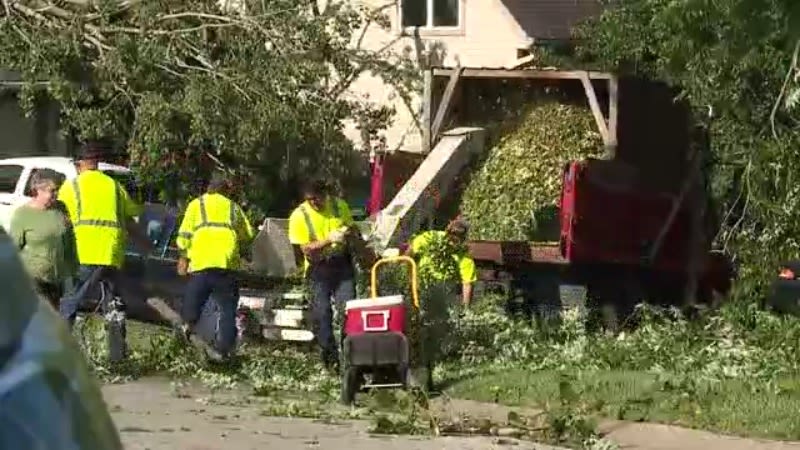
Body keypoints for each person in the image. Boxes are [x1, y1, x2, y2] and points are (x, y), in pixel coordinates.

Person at [57, 140, 148, 359]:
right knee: (113, 304)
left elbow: (60, 219)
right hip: (113, 253)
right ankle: (117, 355)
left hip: (85, 251)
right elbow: (131, 217)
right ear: (96, 164)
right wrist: (145, 244)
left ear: (80, 165)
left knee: (70, 301)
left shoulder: (72, 186)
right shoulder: (115, 187)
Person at [176, 171, 254, 358]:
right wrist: (245, 254)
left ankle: (184, 336)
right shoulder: (234, 208)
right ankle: (223, 351)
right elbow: (248, 235)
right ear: (226, 189)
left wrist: (183, 258)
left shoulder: (196, 205)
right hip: (226, 266)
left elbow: (185, 235)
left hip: (202, 264)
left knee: (192, 306)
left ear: (209, 188)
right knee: (227, 310)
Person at [288, 179, 356, 371]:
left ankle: (351, 358)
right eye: (310, 200)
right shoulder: (299, 216)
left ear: (326, 195)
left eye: (317, 199)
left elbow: (352, 229)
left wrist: (353, 237)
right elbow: (306, 249)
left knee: (348, 311)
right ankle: (330, 358)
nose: (314, 204)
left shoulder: (339, 206)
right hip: (318, 269)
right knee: (322, 313)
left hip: (342, 266)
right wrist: (329, 239)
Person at [9, 169, 78, 309]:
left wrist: (73, 269)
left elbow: (70, 240)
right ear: (37, 190)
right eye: (51, 191)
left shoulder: (61, 208)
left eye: (57, 190)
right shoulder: (22, 214)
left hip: (55, 279)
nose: (55, 194)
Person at [407, 218, 477, 307]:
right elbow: (409, 253)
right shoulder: (430, 238)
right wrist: (411, 279)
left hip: (445, 291)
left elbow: (467, 284)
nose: (452, 244)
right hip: (421, 284)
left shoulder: (464, 257)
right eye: (451, 239)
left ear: (462, 240)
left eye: (456, 241)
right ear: (447, 233)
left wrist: (465, 308)